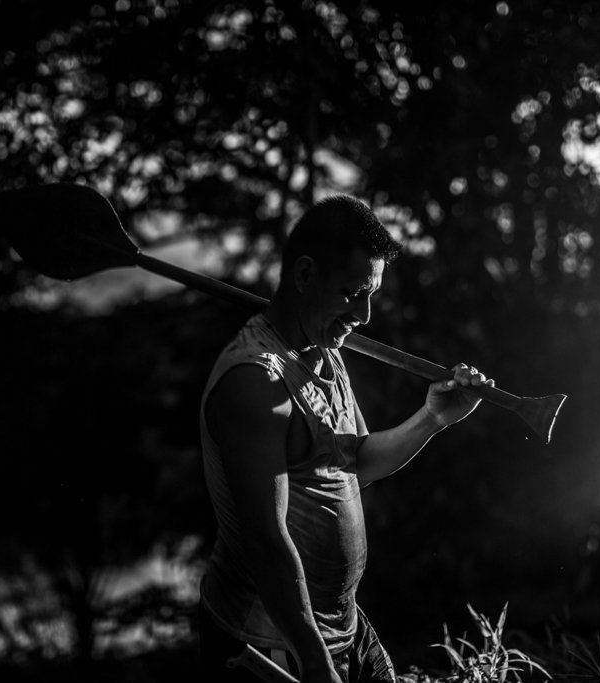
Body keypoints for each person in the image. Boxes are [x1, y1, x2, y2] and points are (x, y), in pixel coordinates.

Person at [197, 195, 493, 683]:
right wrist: (314, 660)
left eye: (370, 293)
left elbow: (357, 462)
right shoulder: (255, 381)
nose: (366, 313)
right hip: (272, 644)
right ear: (305, 274)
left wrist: (432, 418)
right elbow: (265, 539)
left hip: (342, 627)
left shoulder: (323, 350)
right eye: (354, 293)